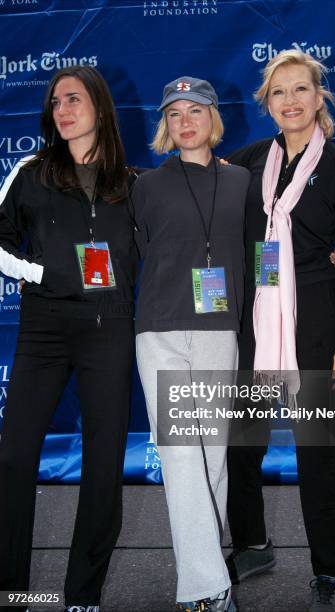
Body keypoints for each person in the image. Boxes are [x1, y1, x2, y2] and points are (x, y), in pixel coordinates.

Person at [225, 50, 335, 611]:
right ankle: (252, 544)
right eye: (279, 92)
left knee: (317, 453)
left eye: (301, 90)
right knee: (243, 448)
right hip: (255, 326)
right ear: (267, 103)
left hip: (318, 324)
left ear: (318, 98)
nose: (291, 101)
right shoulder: (244, 162)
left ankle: (327, 571)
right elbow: (195, 192)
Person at [0, 66, 140, 612]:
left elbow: (188, 227)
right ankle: (12, 592)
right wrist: (44, 275)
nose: (62, 109)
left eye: (74, 99)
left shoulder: (132, 182)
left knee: (104, 464)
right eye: (56, 101)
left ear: (100, 108)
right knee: (13, 458)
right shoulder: (31, 172)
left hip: (110, 331)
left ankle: (82, 595)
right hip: (44, 330)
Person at [133, 76, 250, 611]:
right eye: (174, 112)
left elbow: (264, 254)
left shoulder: (243, 182)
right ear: (165, 124)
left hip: (219, 330)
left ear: (213, 118)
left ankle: (208, 575)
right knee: (181, 454)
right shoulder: (146, 186)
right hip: (159, 331)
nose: (185, 121)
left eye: (195, 110)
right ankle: (207, 590)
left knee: (213, 457)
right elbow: (136, 254)